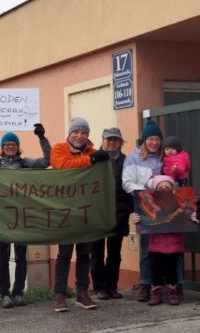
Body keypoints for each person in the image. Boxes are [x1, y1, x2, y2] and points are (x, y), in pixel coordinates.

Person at [0, 123, 50, 308]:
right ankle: (4, 294)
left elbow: (47, 161)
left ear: (18, 147)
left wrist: (42, 138)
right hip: (2, 217)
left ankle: (18, 293)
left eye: (13, 144)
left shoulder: (25, 164)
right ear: (2, 148)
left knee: (21, 256)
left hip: (21, 216)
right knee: (3, 256)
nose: (10, 147)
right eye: (7, 144)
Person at [50, 117, 109, 312]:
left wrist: (103, 159)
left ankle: (82, 293)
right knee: (64, 253)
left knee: (84, 253)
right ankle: (59, 294)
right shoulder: (59, 149)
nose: (80, 135)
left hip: (86, 212)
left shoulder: (94, 152)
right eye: (76, 132)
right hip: (65, 211)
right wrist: (90, 160)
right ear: (70, 133)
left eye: (84, 132)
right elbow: (62, 166)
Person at [133, 175, 198, 306]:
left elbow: (188, 219)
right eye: (160, 187)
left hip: (174, 245)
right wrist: (137, 219)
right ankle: (156, 294)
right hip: (155, 246)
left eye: (167, 187)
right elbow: (144, 221)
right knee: (156, 271)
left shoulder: (179, 204)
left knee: (171, 271)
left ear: (172, 189)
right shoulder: (151, 208)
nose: (163, 189)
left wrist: (193, 217)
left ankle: (173, 294)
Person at [122, 121, 164, 302]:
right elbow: (127, 183)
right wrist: (146, 193)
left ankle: (169, 285)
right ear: (144, 140)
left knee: (168, 247)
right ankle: (146, 285)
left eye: (157, 139)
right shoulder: (133, 158)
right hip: (145, 207)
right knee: (147, 247)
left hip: (165, 208)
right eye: (151, 138)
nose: (154, 142)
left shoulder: (165, 157)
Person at [89, 128, 133, 300]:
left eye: (115, 140)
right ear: (103, 140)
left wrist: (128, 210)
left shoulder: (126, 161)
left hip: (119, 214)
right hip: (97, 214)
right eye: (108, 139)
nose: (111, 142)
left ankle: (112, 287)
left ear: (120, 142)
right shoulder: (95, 157)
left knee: (114, 254)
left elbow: (130, 186)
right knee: (97, 252)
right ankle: (99, 287)